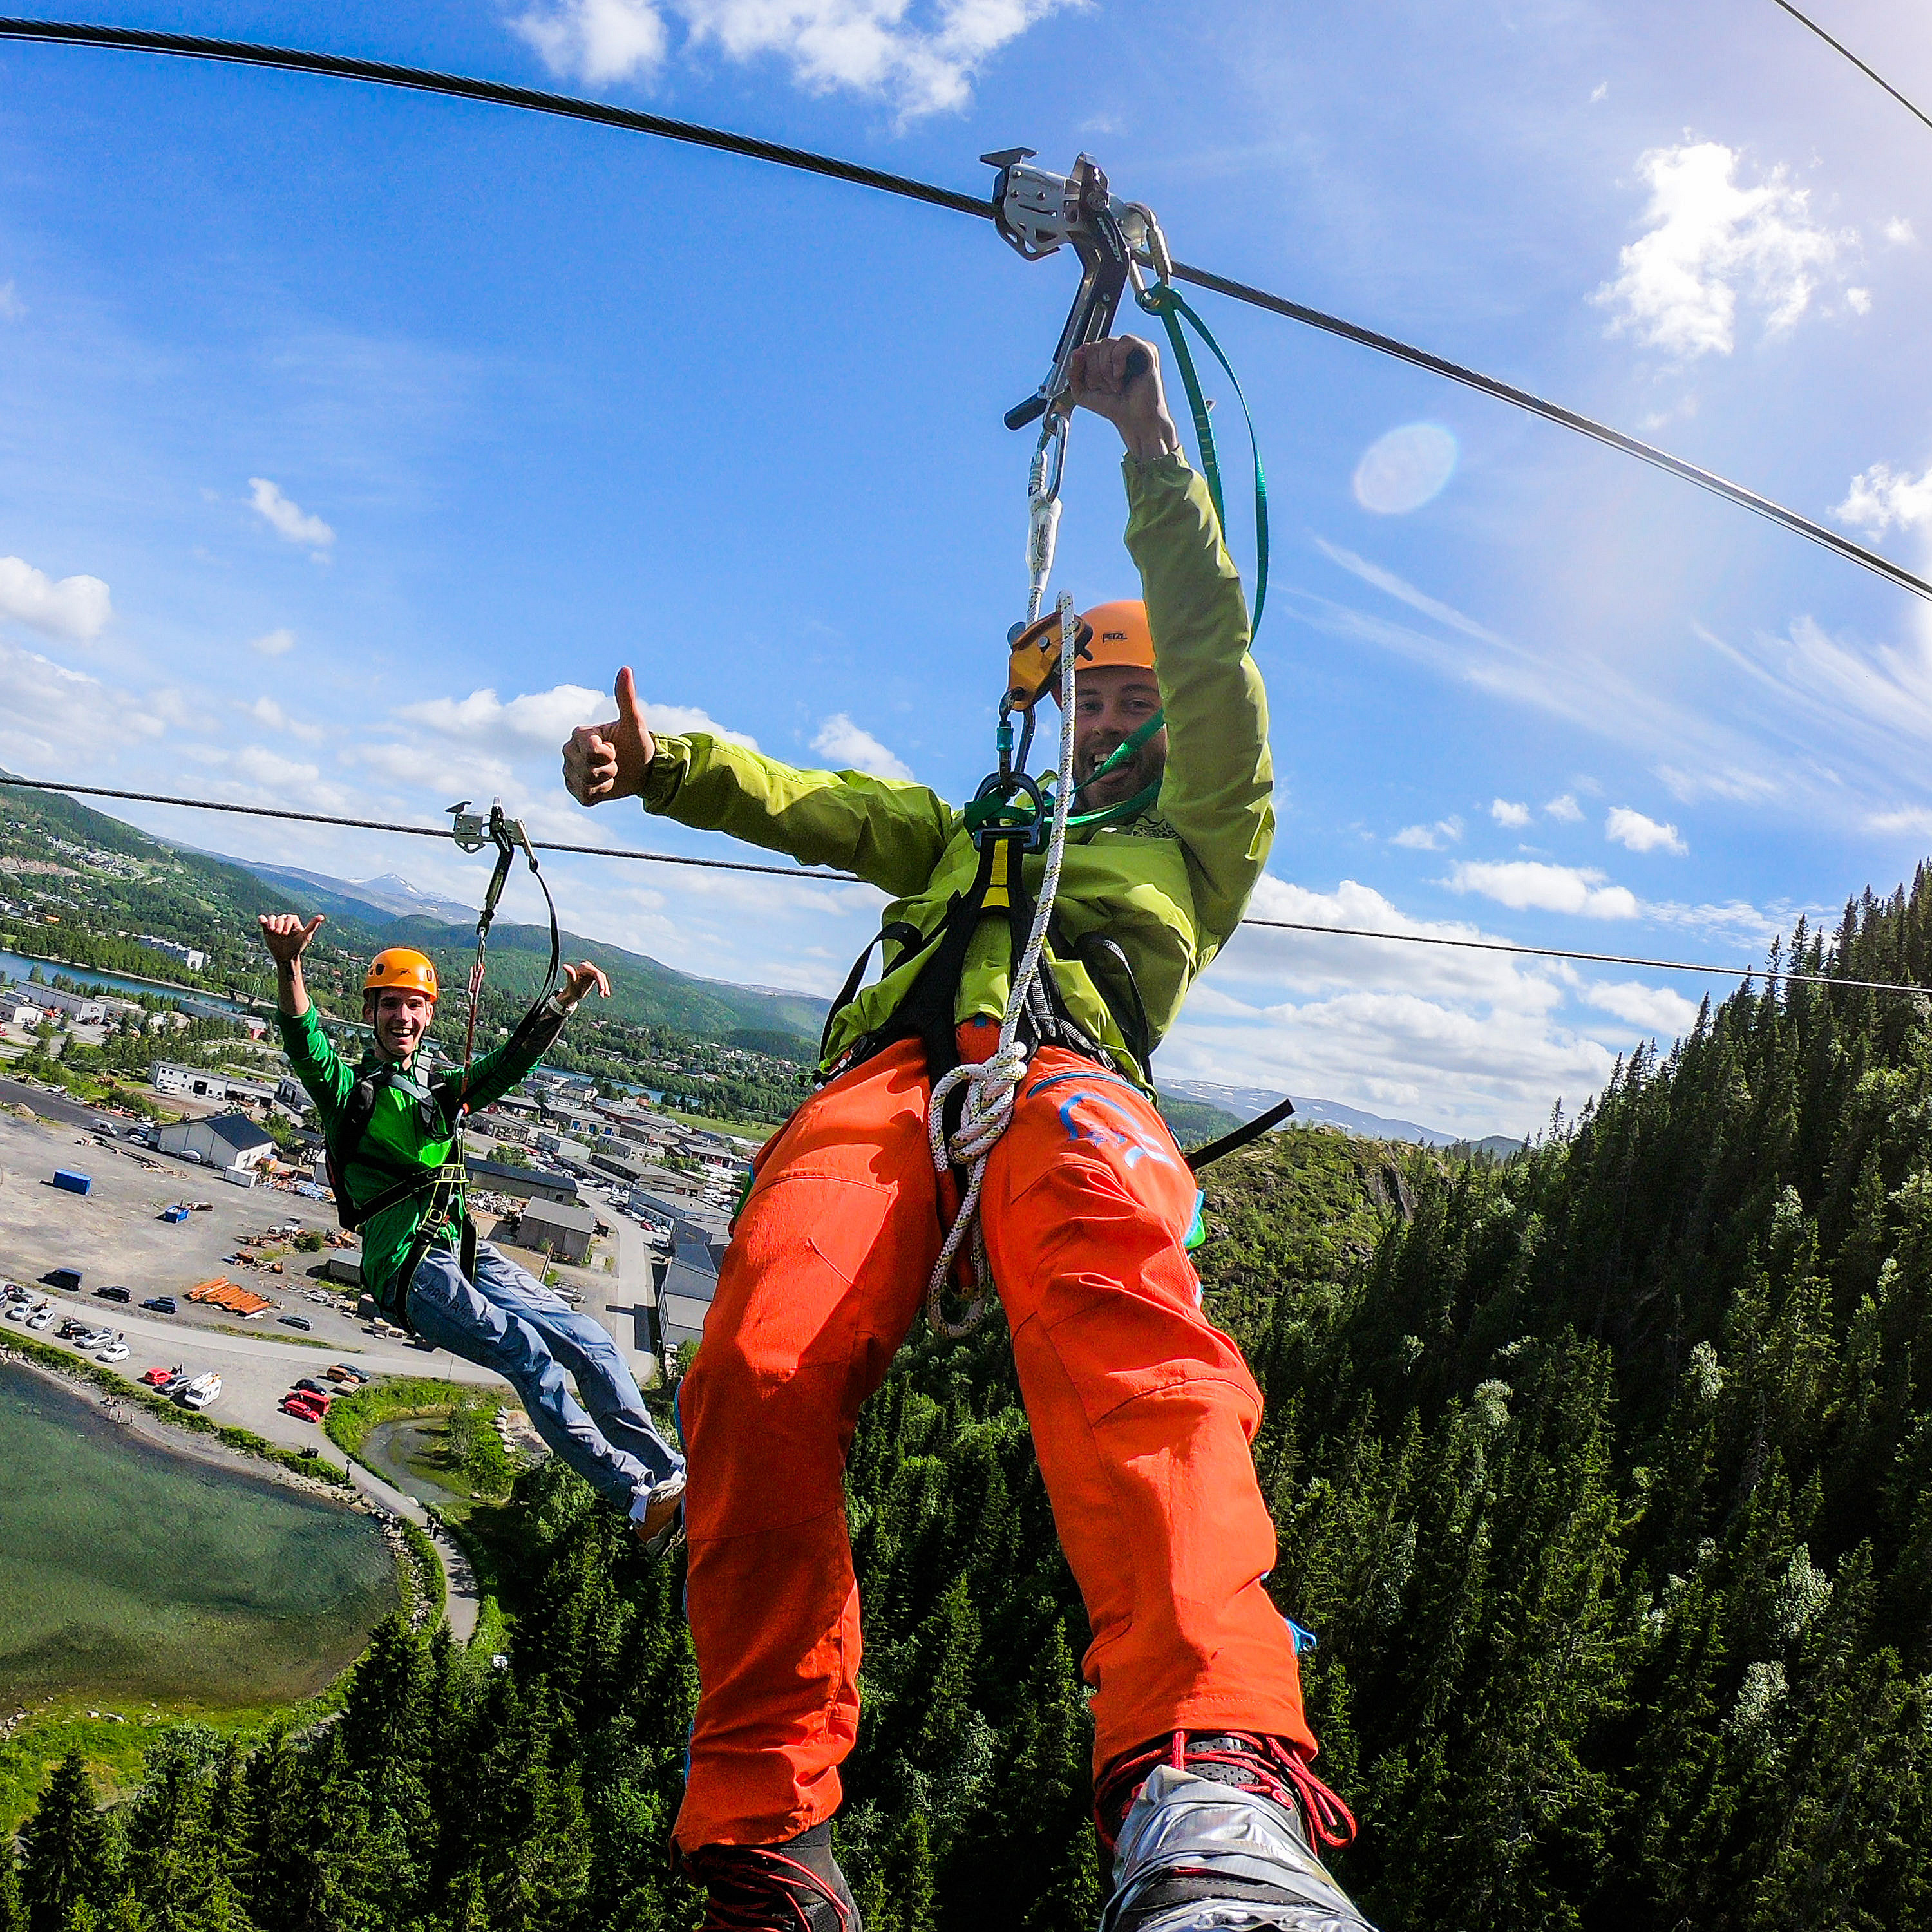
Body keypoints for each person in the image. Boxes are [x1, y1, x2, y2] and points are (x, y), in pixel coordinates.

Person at [562, 336, 1372, 1932]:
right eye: (1095, 698)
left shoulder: (1205, 840)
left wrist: (1148, 448)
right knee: (752, 1368)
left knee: (1122, 1324)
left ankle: (1210, 1768)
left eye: (1136, 700)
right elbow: (816, 804)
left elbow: (1217, 663)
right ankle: (767, 1832)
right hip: (888, 1089)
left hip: (1067, 1069)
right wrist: (670, 769)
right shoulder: (970, 830)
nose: (1114, 719)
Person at [258, 913, 686, 1546]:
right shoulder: (350, 1093)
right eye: (390, 1006)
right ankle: (635, 1497)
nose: (402, 1017)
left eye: (413, 1006)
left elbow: (504, 1067)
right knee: (529, 1355)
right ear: (372, 1014)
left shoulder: (437, 1094)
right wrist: (289, 963)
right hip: (410, 1270)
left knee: (591, 1342)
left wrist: (563, 1002)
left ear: (427, 1016)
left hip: (463, 1254)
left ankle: (668, 1477)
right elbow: (305, 1039)